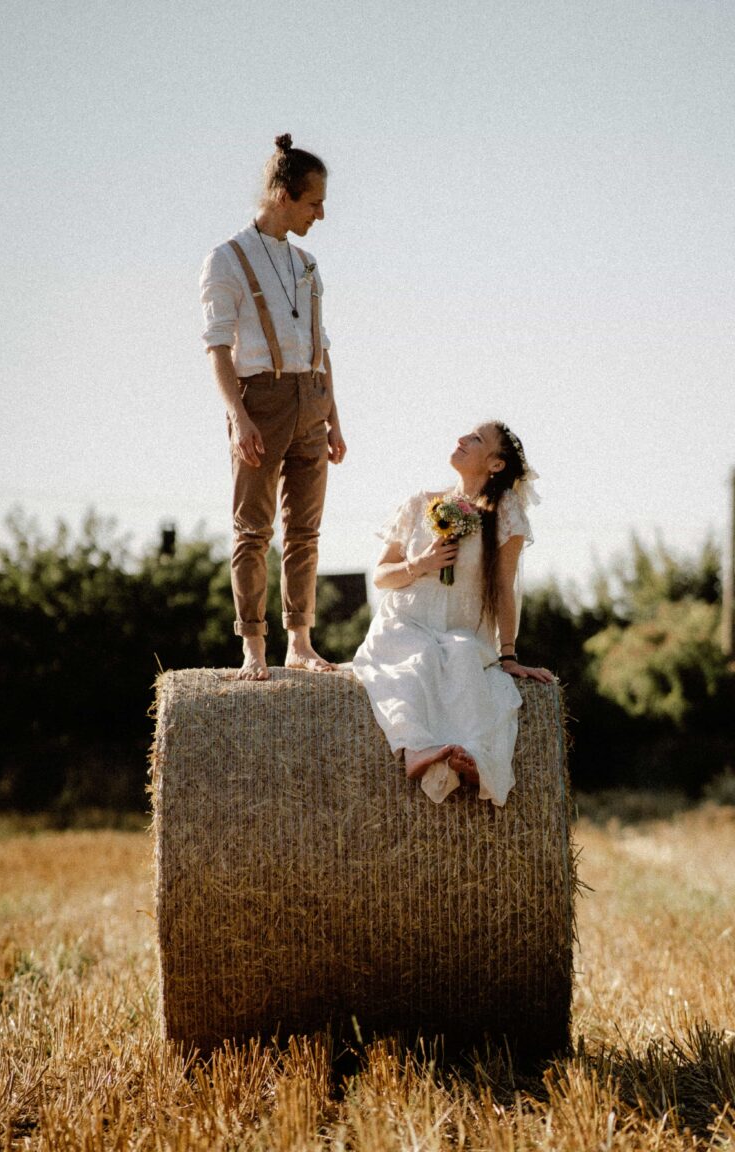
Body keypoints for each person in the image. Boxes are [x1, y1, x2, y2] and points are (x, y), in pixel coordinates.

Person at [200, 134, 346, 680]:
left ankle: (300, 642)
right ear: (284, 195)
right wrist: (238, 416)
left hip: (312, 398)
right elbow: (217, 347)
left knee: (305, 531)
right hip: (260, 399)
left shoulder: (307, 262)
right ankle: (253, 646)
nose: (320, 215)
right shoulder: (226, 259)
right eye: (314, 203)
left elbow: (321, 345)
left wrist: (334, 419)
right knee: (253, 531)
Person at [353, 420, 554, 805]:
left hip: (461, 628)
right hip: (405, 622)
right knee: (419, 659)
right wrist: (421, 564)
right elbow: (381, 576)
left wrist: (508, 655)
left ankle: (474, 757)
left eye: (476, 439)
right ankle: (415, 750)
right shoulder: (419, 503)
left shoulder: (505, 511)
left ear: (495, 464)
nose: (461, 438)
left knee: (462, 655)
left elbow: (503, 587)